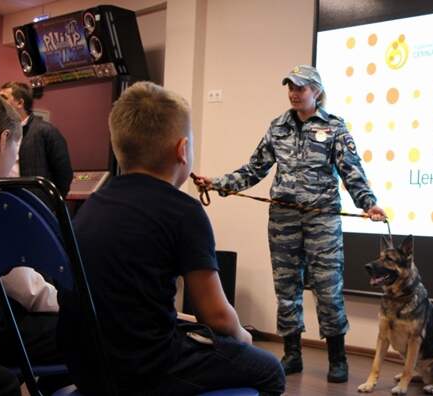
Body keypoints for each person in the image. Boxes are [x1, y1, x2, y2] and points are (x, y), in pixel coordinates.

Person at [58, 81, 285, 396]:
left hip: (87, 366)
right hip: (145, 371)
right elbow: (217, 316)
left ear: (117, 147)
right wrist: (243, 338)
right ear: (183, 150)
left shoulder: (92, 205)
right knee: (270, 371)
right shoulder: (184, 212)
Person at [193, 64, 387, 383]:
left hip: (322, 219)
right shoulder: (277, 127)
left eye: (301, 88)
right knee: (286, 286)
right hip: (283, 218)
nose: (294, 93)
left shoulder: (335, 128)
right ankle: (292, 352)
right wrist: (218, 183)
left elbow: (352, 173)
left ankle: (338, 358)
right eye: (290, 87)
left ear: (317, 92)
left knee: (328, 288)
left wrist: (369, 203)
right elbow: (254, 169)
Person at [0, 86, 63, 395]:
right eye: (17, 148)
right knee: (88, 331)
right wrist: (73, 303)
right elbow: (27, 288)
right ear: (4, 139)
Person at [0, 81, 72, 206]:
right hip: (7, 204)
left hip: (36, 207)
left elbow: (64, 174)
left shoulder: (46, 131)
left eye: (4, 97)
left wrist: (51, 205)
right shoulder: (2, 134)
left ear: (20, 103)